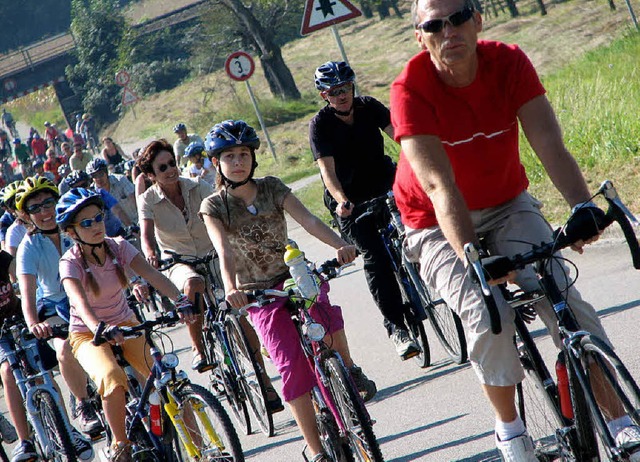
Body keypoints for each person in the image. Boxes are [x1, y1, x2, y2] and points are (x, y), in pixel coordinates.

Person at [391, 1, 640, 460]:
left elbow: (548, 141)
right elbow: (437, 185)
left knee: (563, 296)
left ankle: (620, 419)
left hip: (507, 204)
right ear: (420, 37)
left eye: (459, 17)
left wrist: (582, 206)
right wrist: (472, 257)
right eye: (434, 24)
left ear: (478, 19)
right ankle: (510, 431)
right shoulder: (410, 89)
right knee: (489, 316)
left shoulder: (508, 62)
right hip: (433, 219)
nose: (450, 31)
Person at [200, 120, 377, 462]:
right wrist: (232, 288)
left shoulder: (271, 187)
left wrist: (342, 245)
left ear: (253, 157)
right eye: (229, 156)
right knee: (291, 366)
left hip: (292, 273)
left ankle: (348, 370)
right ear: (216, 162)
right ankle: (315, 449)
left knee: (324, 313)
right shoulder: (213, 206)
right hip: (256, 292)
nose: (238, 161)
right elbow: (223, 251)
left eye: (243, 154)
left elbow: (309, 220)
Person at [55, 187, 194, 462]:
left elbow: (153, 275)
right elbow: (79, 303)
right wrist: (99, 328)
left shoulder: (118, 246)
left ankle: (203, 450)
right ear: (71, 232)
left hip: (125, 323)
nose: (95, 225)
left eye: (98, 218)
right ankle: (121, 444)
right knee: (112, 377)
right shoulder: (69, 263)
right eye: (86, 223)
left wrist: (180, 300)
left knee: (169, 379)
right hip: (87, 334)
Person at [309, 61, 419, 360]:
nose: (341, 95)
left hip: (385, 183)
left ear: (352, 86)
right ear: (324, 96)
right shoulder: (320, 125)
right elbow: (327, 172)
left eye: (344, 88)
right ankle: (397, 327)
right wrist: (341, 200)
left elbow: (400, 135)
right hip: (350, 201)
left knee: (421, 228)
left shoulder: (369, 106)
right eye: (333, 91)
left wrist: (420, 164)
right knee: (376, 258)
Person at [13, 177, 100, 459]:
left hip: (89, 297)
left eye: (48, 202)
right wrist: (32, 323)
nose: (45, 211)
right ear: (26, 216)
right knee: (64, 349)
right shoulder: (29, 245)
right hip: (54, 307)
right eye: (36, 207)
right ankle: (84, 403)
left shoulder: (72, 227)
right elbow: (27, 291)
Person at [136, 140, 227, 373]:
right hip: (177, 262)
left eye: (172, 163)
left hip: (211, 254)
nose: (170, 170)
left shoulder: (198, 186)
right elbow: (146, 235)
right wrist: (150, 253)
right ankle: (199, 349)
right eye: (162, 168)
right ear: (151, 175)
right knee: (194, 283)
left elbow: (223, 208)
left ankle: (265, 386)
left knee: (237, 311)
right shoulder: (147, 200)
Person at [60, 170, 131, 237]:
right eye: (77, 188)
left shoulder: (101, 194)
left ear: (89, 183)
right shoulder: (71, 206)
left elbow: (117, 210)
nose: (82, 189)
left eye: (84, 185)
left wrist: (130, 226)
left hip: (116, 234)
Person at [87, 158, 137, 223]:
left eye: (100, 174)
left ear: (106, 172)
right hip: (118, 230)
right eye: (95, 176)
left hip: (136, 221)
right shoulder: (93, 194)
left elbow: (135, 199)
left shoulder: (120, 180)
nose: (98, 178)